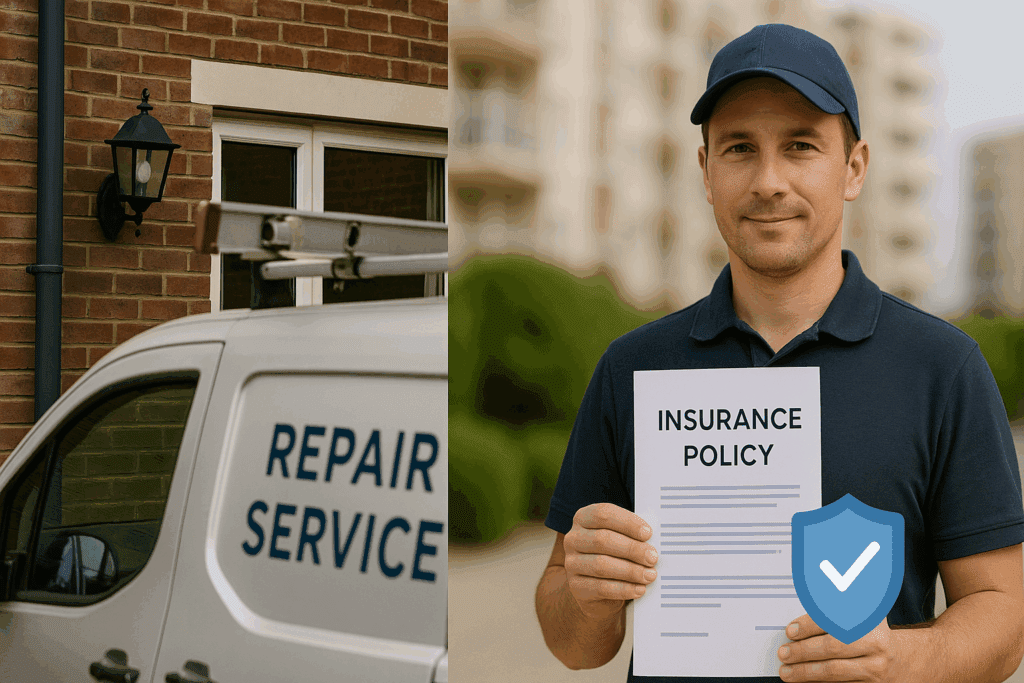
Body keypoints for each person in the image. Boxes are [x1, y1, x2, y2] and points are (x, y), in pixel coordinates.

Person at [535, 23, 1024, 683]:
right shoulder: (632, 370)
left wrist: (899, 659)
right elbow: (575, 643)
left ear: (853, 168)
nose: (769, 181)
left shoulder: (944, 368)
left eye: (800, 145)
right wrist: (586, 592)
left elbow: (1004, 611)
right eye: (739, 148)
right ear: (706, 172)